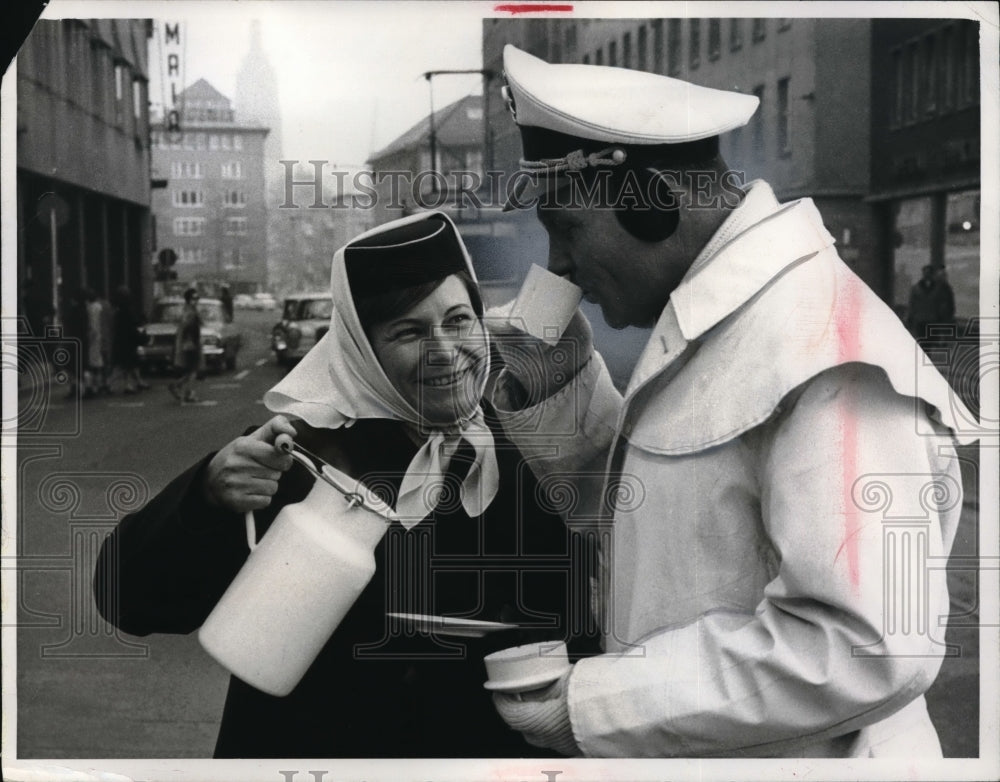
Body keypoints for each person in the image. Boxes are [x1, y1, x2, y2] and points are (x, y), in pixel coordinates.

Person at [485, 45, 976, 758]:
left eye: (567, 227)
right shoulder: (733, 323)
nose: (557, 263)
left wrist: (595, 707)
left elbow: (872, 644)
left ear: (649, 205)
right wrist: (561, 391)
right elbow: (666, 531)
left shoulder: (824, 344)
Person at [93, 212, 595, 758]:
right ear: (361, 350)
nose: (446, 353)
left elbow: (577, 620)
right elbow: (127, 599)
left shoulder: (523, 447)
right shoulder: (301, 455)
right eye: (408, 332)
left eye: (458, 321)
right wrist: (206, 497)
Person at [110, 285, 150, 394]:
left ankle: (133, 383)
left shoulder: (118, 311)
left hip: (121, 341)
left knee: (127, 364)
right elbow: (132, 326)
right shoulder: (128, 311)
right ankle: (112, 384)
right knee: (127, 364)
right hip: (128, 342)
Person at [168, 287, 202, 403]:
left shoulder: (189, 310)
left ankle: (179, 387)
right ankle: (188, 392)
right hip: (190, 343)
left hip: (189, 343)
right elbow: (187, 328)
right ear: (188, 299)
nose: (196, 300)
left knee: (190, 370)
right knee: (193, 370)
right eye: (194, 298)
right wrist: (190, 341)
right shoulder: (189, 312)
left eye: (197, 298)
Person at [907, 264, 956, 341]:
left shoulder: (938, 289)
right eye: (925, 273)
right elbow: (912, 304)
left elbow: (943, 305)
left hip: (932, 320)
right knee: (923, 342)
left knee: (928, 343)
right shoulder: (917, 288)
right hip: (922, 320)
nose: (927, 275)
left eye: (928, 273)